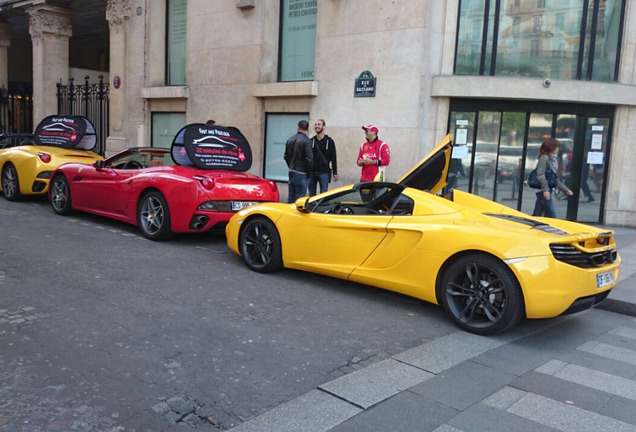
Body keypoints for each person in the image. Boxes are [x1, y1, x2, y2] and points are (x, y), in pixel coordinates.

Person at [532, 137, 573, 218]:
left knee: (537, 214)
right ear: (551, 147)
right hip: (543, 190)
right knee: (552, 216)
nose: (558, 149)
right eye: (556, 147)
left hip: (544, 190)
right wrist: (545, 190)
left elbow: (553, 178)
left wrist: (565, 189)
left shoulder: (551, 159)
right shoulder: (544, 158)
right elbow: (540, 175)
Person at [284, 120, 313, 203]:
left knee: (291, 197)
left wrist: (291, 166)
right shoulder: (307, 141)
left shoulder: (290, 139)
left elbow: (286, 156)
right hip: (302, 173)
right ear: (307, 129)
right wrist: (308, 173)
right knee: (299, 199)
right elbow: (309, 159)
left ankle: (288, 214)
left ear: (298, 127)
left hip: (292, 171)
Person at [308, 119, 338, 196]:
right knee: (311, 194)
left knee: (323, 194)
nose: (316, 126)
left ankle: (321, 208)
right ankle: (312, 208)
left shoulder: (330, 141)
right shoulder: (311, 141)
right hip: (312, 172)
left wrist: (335, 172)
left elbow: (334, 158)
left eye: (319, 124)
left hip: (324, 172)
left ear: (323, 127)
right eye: (315, 124)